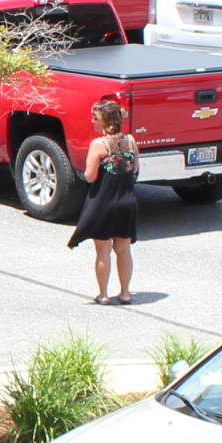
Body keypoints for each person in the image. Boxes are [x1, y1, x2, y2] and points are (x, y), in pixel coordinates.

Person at [68, 98, 140, 304]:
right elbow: (134, 169)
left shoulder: (99, 145)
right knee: (124, 249)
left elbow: (90, 176)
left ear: (106, 121)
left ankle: (103, 294)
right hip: (127, 200)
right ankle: (125, 293)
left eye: (95, 118)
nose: (92, 121)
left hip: (103, 201)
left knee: (103, 250)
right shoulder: (131, 141)